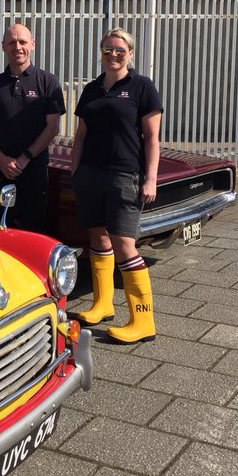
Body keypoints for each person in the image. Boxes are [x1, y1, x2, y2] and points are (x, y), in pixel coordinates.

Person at [71, 27, 162, 344]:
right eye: (107, 49)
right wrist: (75, 170)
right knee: (97, 236)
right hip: (91, 174)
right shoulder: (93, 89)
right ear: (101, 52)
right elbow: (80, 134)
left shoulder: (142, 87)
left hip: (125, 175)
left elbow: (152, 138)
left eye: (119, 50)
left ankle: (143, 320)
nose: (113, 55)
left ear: (130, 53)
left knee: (125, 244)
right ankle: (102, 304)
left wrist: (150, 178)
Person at [0, 23, 64, 232]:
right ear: (3, 47)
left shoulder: (48, 82)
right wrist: (0, 159)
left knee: (32, 230)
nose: (18, 47)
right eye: (12, 42)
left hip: (33, 170)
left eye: (23, 42)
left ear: (32, 45)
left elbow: (52, 128)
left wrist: (24, 159)